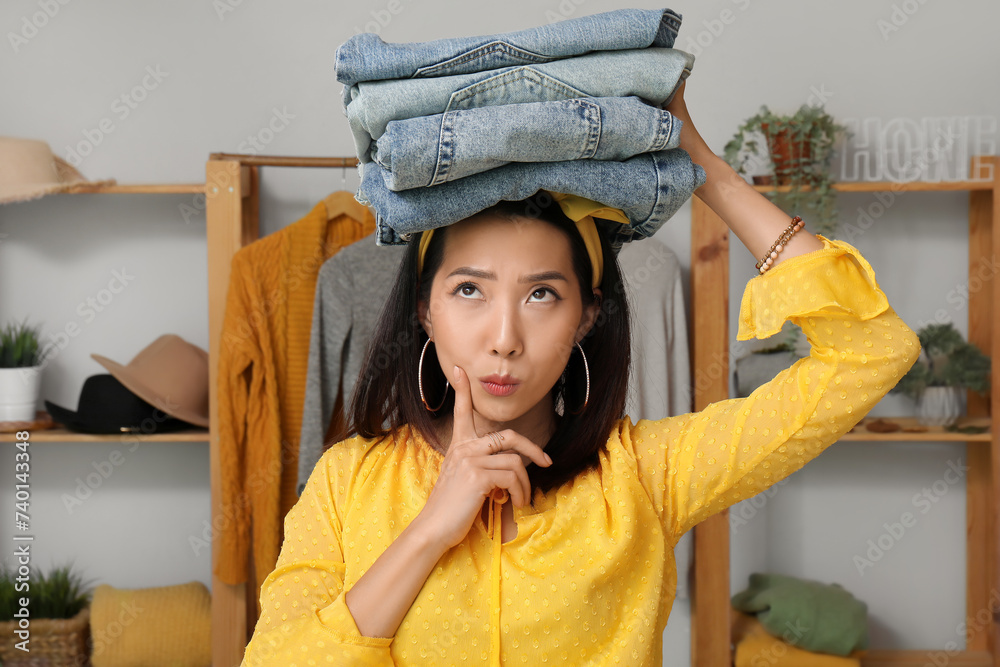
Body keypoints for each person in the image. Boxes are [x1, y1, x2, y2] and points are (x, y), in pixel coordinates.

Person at [240, 80, 921, 666]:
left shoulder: (646, 476)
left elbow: (871, 352)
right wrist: (427, 533)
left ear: (588, 315)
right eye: (470, 290)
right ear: (424, 309)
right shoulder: (345, 482)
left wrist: (701, 165)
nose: (504, 339)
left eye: (542, 294)